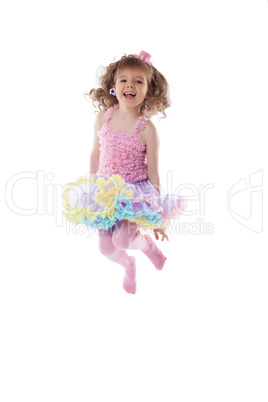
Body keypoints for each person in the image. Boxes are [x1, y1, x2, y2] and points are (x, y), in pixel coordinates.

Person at [62, 50, 187, 295]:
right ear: (114, 86)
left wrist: (157, 217)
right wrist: (91, 188)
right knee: (106, 249)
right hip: (105, 190)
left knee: (122, 240)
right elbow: (95, 154)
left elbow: (153, 174)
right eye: (124, 80)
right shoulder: (103, 118)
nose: (130, 84)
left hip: (134, 194)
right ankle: (129, 265)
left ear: (148, 91)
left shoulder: (147, 129)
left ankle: (147, 246)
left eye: (138, 81)